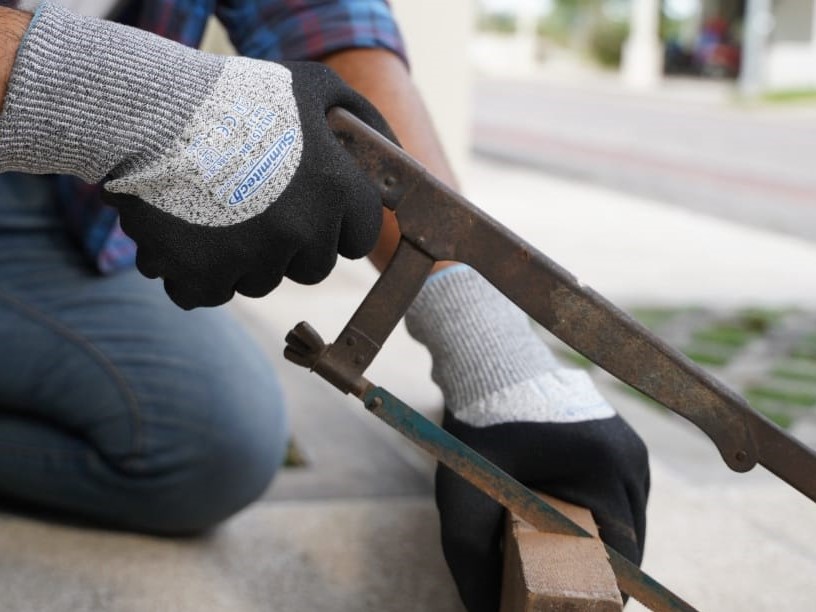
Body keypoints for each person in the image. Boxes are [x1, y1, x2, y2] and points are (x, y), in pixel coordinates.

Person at [0, 2, 650, 610]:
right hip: (58, 121)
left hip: (66, 199)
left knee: (212, 446)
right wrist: (125, 104)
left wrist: (492, 354)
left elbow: (320, 17)